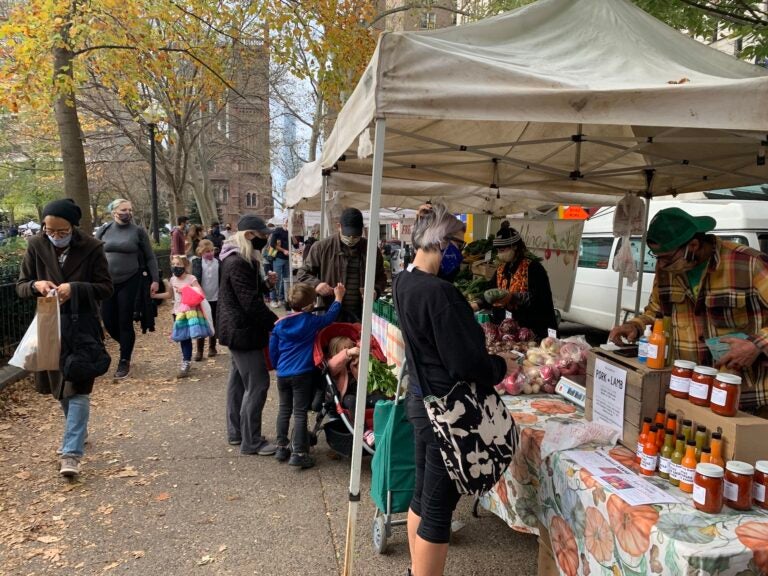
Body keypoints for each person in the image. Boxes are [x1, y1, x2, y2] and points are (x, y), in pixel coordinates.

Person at [392, 203, 517, 576]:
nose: (461, 253)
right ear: (441, 243)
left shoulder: (403, 281)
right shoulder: (440, 294)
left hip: (420, 402)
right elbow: (466, 365)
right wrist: (500, 366)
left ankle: (415, 568)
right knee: (438, 509)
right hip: (447, 414)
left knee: (422, 497)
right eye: (458, 244)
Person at [609, 207, 768, 414]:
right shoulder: (667, 268)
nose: (661, 264)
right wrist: (635, 325)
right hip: (691, 388)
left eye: (665, 257)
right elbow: (657, 310)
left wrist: (755, 345)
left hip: (744, 390)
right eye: (657, 257)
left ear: (693, 245)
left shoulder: (748, 263)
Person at [17, 198, 113, 477]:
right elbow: (21, 286)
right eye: (50, 231)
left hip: (82, 327)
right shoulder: (36, 245)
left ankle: (71, 454)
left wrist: (76, 288)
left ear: (73, 227)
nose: (56, 236)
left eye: (62, 232)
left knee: (79, 389)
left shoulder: (93, 248)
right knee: (61, 388)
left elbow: (106, 287)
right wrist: (36, 285)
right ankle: (78, 431)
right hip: (48, 325)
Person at [218, 214, 280, 455]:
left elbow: (246, 294)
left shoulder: (241, 260)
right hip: (242, 332)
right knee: (258, 383)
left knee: (237, 383)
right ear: (249, 235)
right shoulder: (238, 262)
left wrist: (266, 286)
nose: (265, 239)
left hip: (236, 329)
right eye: (262, 235)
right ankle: (251, 440)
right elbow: (250, 303)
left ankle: (237, 432)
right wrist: (277, 325)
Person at [269, 282, 345, 469]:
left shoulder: (280, 325)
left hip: (283, 373)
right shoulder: (311, 322)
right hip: (302, 373)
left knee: (284, 409)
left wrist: (278, 365)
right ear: (310, 305)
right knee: (300, 411)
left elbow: (273, 351)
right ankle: (299, 452)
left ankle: (281, 446)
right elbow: (329, 318)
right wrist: (338, 298)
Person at [96, 199, 160, 379]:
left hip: (130, 280)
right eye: (124, 209)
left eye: (130, 210)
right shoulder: (104, 230)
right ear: (114, 211)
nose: (128, 213)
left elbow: (150, 257)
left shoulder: (138, 232)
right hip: (107, 282)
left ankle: (124, 359)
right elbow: (92, 253)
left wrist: (155, 280)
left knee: (124, 319)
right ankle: (126, 343)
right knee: (108, 320)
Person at [297, 207, 386, 322]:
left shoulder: (371, 249)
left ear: (362, 230)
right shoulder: (321, 247)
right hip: (330, 312)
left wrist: (376, 290)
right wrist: (317, 285)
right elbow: (302, 273)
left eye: (355, 236)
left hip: (361, 314)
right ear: (339, 226)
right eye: (348, 235)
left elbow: (381, 276)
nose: (351, 239)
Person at [475, 227, 557, 339]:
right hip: (507, 330)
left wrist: (512, 297)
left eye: (502, 250)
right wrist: (477, 304)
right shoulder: (501, 270)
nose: (499, 254)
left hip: (531, 331)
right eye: (498, 251)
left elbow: (538, 298)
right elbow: (490, 292)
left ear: (515, 246)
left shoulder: (533, 268)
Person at [152, 255, 208, 378]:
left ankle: (191, 357)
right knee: (184, 338)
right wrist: (155, 296)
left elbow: (200, 293)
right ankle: (186, 361)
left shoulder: (191, 278)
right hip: (177, 312)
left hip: (191, 312)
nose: (175, 267)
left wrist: (186, 289)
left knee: (192, 335)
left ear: (185, 266)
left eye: (178, 264)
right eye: (174, 264)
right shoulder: (172, 280)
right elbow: (169, 295)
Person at [191, 239, 220, 360]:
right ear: (201, 252)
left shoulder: (218, 262)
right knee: (201, 323)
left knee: (213, 322)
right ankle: (199, 350)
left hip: (216, 297)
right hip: (202, 298)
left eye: (211, 251)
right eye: (206, 251)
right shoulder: (197, 262)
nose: (209, 253)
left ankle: (212, 347)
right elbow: (193, 279)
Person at [267, 219, 294, 308]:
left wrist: (293, 235)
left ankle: (281, 298)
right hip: (278, 258)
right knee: (276, 278)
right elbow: (272, 244)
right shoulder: (278, 230)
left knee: (285, 279)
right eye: (288, 223)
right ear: (285, 222)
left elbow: (296, 245)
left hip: (288, 259)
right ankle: (273, 299)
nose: (290, 225)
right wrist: (283, 250)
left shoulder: (291, 232)